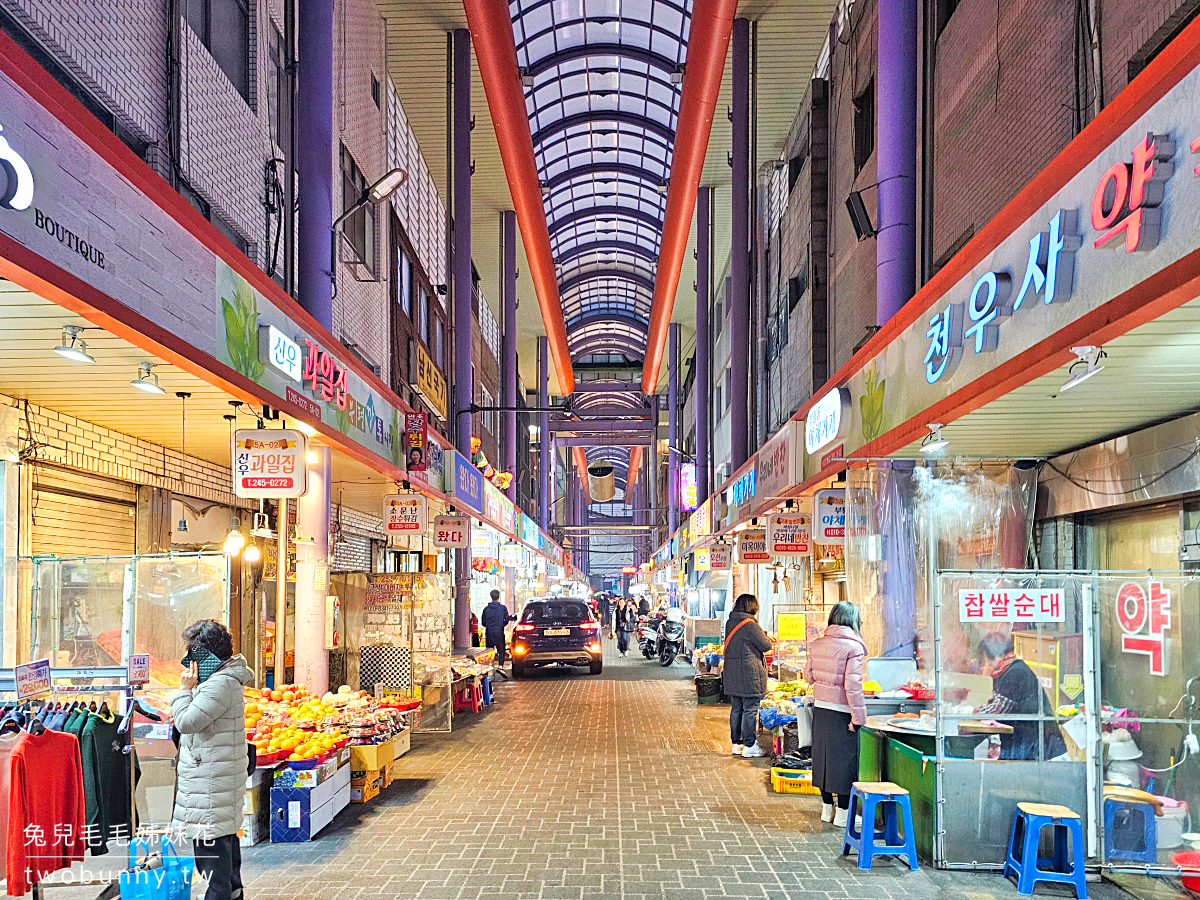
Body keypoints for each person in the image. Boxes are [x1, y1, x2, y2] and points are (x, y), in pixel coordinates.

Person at [171, 620, 253, 900]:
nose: (188, 661)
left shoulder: (220, 684)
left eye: (192, 653)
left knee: (212, 866)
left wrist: (184, 690)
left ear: (205, 656)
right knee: (226, 855)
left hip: (208, 787)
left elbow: (186, 721)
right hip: (213, 782)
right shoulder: (221, 680)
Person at [805, 601, 868, 828]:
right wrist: (858, 718)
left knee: (822, 759)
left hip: (821, 707)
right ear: (853, 621)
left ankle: (825, 809)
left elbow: (808, 676)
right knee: (844, 762)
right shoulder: (854, 647)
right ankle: (843, 815)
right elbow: (853, 686)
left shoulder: (818, 644)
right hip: (842, 712)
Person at [976, 633, 1062, 760]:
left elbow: (998, 710)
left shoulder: (1015, 673)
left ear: (994, 655)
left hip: (1034, 743)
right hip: (1027, 739)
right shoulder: (1008, 670)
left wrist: (973, 712)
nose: (986, 664)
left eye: (986, 659)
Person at [723, 594, 774, 759]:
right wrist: (767, 638)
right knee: (750, 709)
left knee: (737, 708)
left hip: (733, 672)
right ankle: (750, 745)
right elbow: (765, 646)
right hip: (749, 673)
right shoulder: (751, 625)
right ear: (752, 607)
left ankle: (736, 744)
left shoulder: (731, 622)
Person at [481, 589, 514, 668]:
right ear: (498, 597)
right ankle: (500, 665)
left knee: (489, 650)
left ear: (491, 597)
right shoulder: (502, 608)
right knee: (501, 650)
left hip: (489, 632)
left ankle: (489, 666)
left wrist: (489, 626)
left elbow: (483, 622)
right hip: (499, 631)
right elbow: (506, 620)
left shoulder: (486, 609)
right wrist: (501, 625)